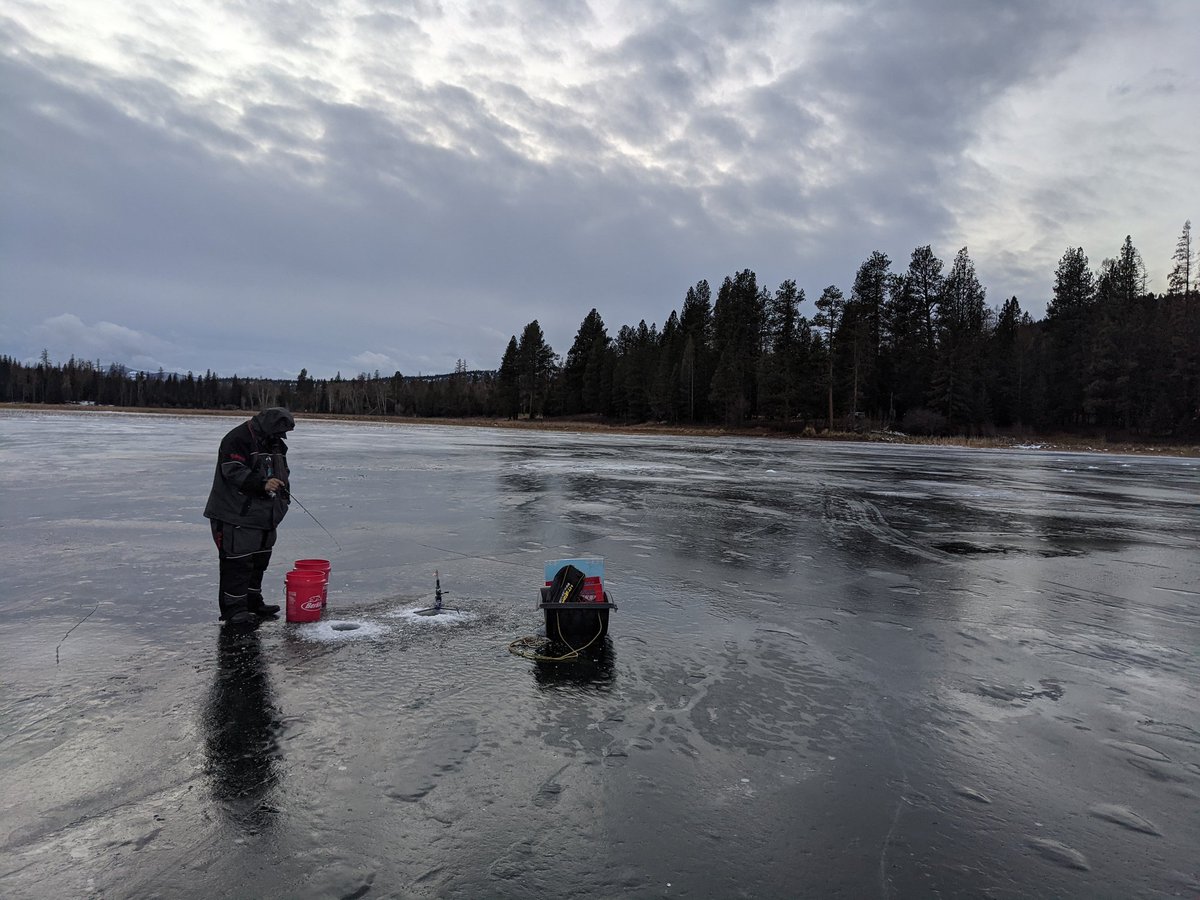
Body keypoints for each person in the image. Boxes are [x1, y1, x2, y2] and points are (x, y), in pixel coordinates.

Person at [204, 407, 294, 625]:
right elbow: (233, 471)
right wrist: (262, 484)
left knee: (259, 560)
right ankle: (234, 610)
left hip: (264, 516)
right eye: (279, 431)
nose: (281, 437)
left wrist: (283, 499)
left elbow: (282, 471)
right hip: (235, 514)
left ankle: (253, 602)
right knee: (237, 563)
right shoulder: (237, 438)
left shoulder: (275, 442)